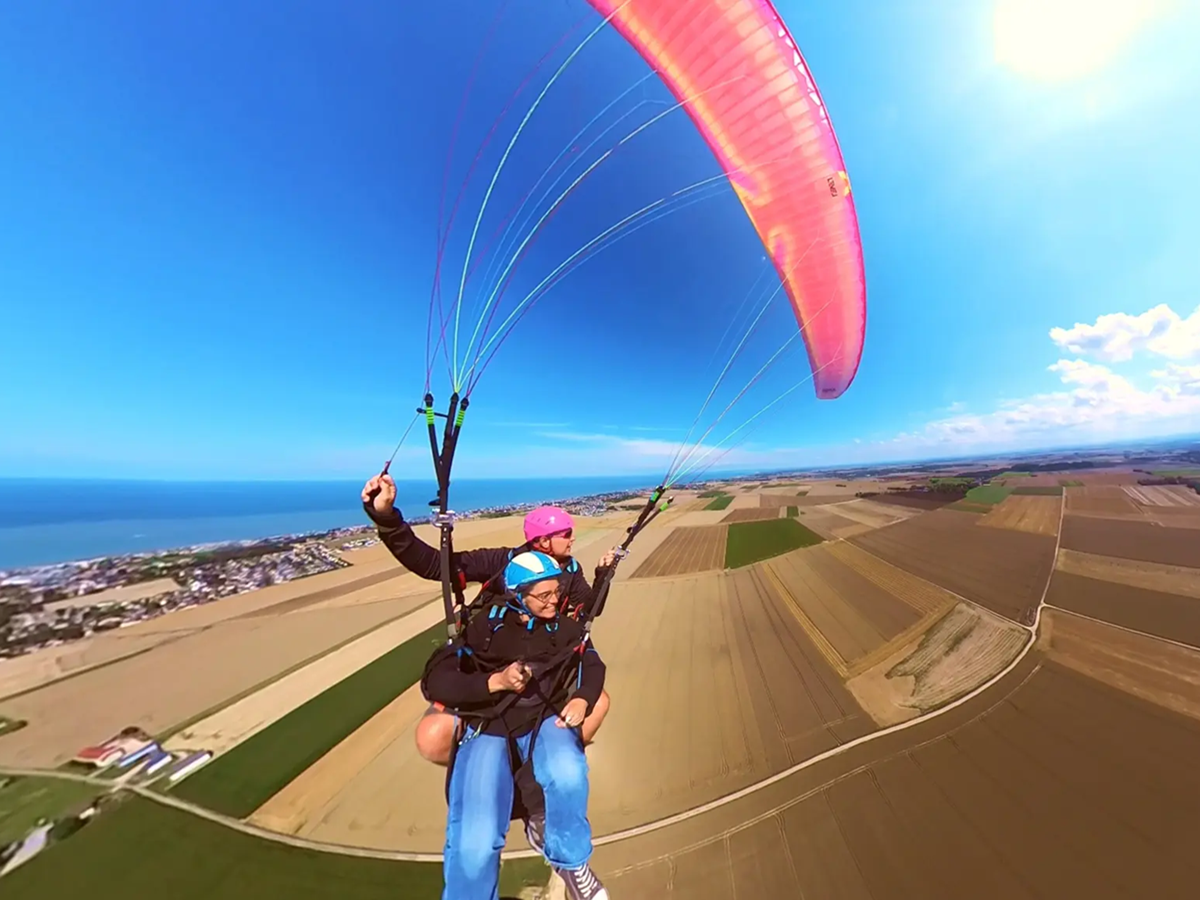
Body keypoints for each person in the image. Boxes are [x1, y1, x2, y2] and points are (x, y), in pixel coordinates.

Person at [360, 473, 615, 765]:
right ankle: (489, 769)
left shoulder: (570, 570)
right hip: (494, 659)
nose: (572, 539)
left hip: (548, 661)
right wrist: (387, 518)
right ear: (543, 541)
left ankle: (542, 770)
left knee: (599, 702)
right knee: (433, 736)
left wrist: (602, 577)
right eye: (566, 533)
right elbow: (435, 566)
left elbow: (588, 610)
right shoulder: (500, 563)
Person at [425, 550, 609, 900]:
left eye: (557, 592)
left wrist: (582, 697)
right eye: (544, 595)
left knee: (568, 772)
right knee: (476, 836)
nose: (554, 600)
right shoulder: (483, 630)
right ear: (518, 596)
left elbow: (592, 662)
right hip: (490, 725)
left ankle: (571, 861)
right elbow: (438, 679)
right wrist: (494, 683)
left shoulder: (564, 629)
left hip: (544, 719)